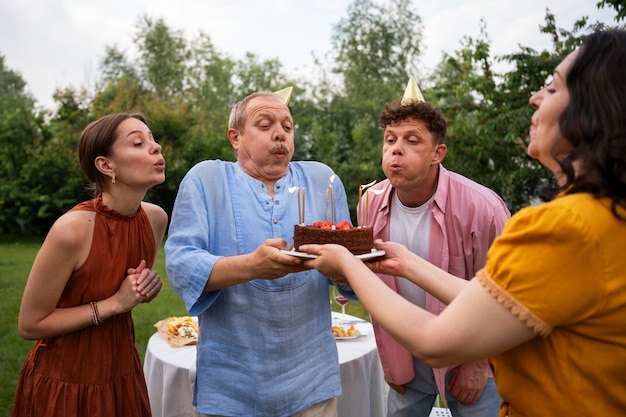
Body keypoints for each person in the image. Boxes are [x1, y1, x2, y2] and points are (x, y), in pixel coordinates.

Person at [302, 28, 626, 416]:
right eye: (390, 139)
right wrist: (407, 264)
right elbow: (498, 300)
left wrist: (348, 266)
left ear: (595, 110)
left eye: (553, 88)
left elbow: (436, 340)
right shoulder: (606, 214)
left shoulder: (560, 226)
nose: (534, 97)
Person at [164, 89, 352, 417]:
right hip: (229, 383)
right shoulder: (206, 180)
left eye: (287, 127)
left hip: (311, 379)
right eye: (265, 125)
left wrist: (340, 269)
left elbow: (349, 264)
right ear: (235, 137)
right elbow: (181, 263)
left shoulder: (323, 179)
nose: (280, 133)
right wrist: (252, 266)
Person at [354, 78, 509, 417]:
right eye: (390, 140)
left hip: (468, 356)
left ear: (438, 153)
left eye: (412, 141)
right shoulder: (369, 203)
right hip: (405, 357)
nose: (396, 150)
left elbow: (503, 298)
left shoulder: (483, 208)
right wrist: (391, 357)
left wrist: (479, 364)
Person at [12, 112, 168, 417]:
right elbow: (29, 324)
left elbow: (127, 294)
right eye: (138, 142)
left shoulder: (155, 219)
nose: (156, 147)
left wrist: (143, 287)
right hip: (66, 383)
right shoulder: (71, 230)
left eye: (152, 139)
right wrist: (114, 304)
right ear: (106, 165)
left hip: (123, 375)